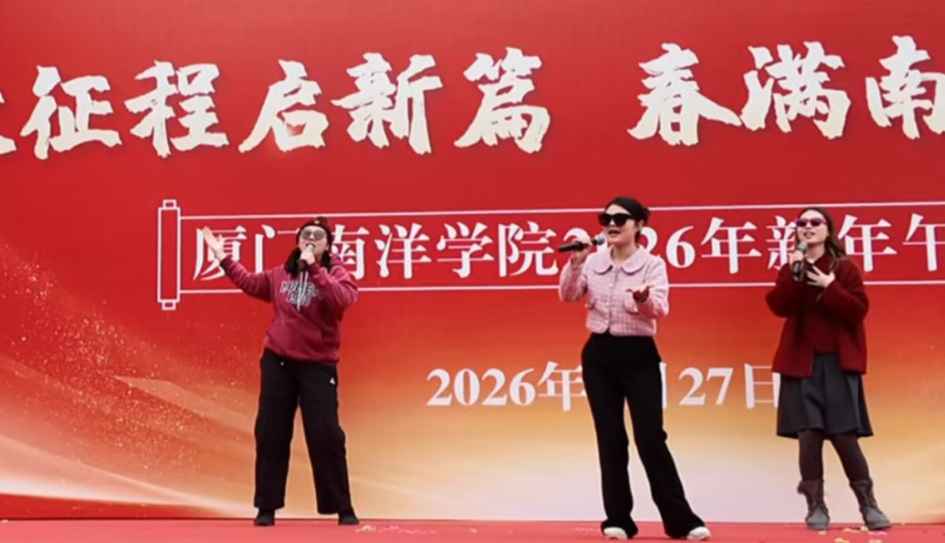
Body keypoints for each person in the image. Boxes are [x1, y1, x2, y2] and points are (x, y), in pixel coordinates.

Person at [559, 197, 710, 541]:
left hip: (639, 355)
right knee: (610, 437)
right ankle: (618, 520)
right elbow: (568, 295)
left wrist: (642, 298)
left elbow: (659, 309)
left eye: (620, 219)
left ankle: (682, 521)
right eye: (606, 218)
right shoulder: (592, 261)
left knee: (650, 437)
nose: (611, 224)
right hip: (599, 355)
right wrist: (576, 262)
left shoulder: (652, 265)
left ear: (639, 225)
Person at [201, 216, 360, 527]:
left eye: (318, 236)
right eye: (305, 235)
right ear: (298, 241)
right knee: (271, 433)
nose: (311, 239)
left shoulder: (335, 274)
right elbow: (249, 282)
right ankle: (267, 507)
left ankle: (342, 507)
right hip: (279, 362)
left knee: (326, 435)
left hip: (317, 364)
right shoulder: (280, 275)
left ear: (328, 245)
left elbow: (341, 300)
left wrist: (315, 269)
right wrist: (222, 256)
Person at [765, 207, 891, 532]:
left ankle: (868, 504)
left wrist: (829, 285)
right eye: (802, 223)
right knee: (808, 435)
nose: (807, 227)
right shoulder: (792, 267)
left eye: (814, 222)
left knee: (844, 435)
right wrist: (795, 272)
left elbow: (857, 311)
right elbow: (779, 305)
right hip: (801, 363)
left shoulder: (844, 268)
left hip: (837, 362)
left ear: (828, 230)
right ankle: (816, 506)